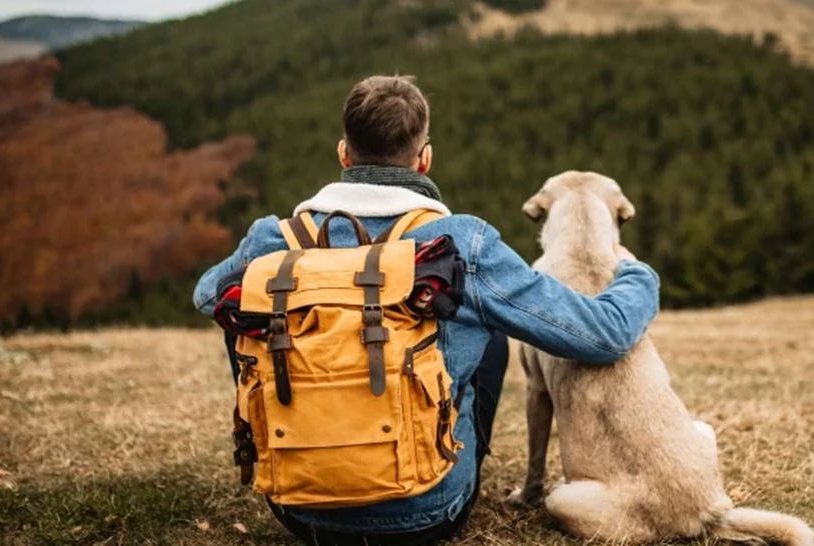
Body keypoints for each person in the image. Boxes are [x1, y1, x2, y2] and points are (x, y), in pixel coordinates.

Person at [192, 75, 660, 546]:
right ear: (425, 158)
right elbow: (604, 335)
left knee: (251, 309)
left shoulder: (273, 240)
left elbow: (208, 296)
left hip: (299, 508)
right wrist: (636, 272)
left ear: (343, 154)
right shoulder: (462, 244)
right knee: (490, 334)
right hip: (428, 513)